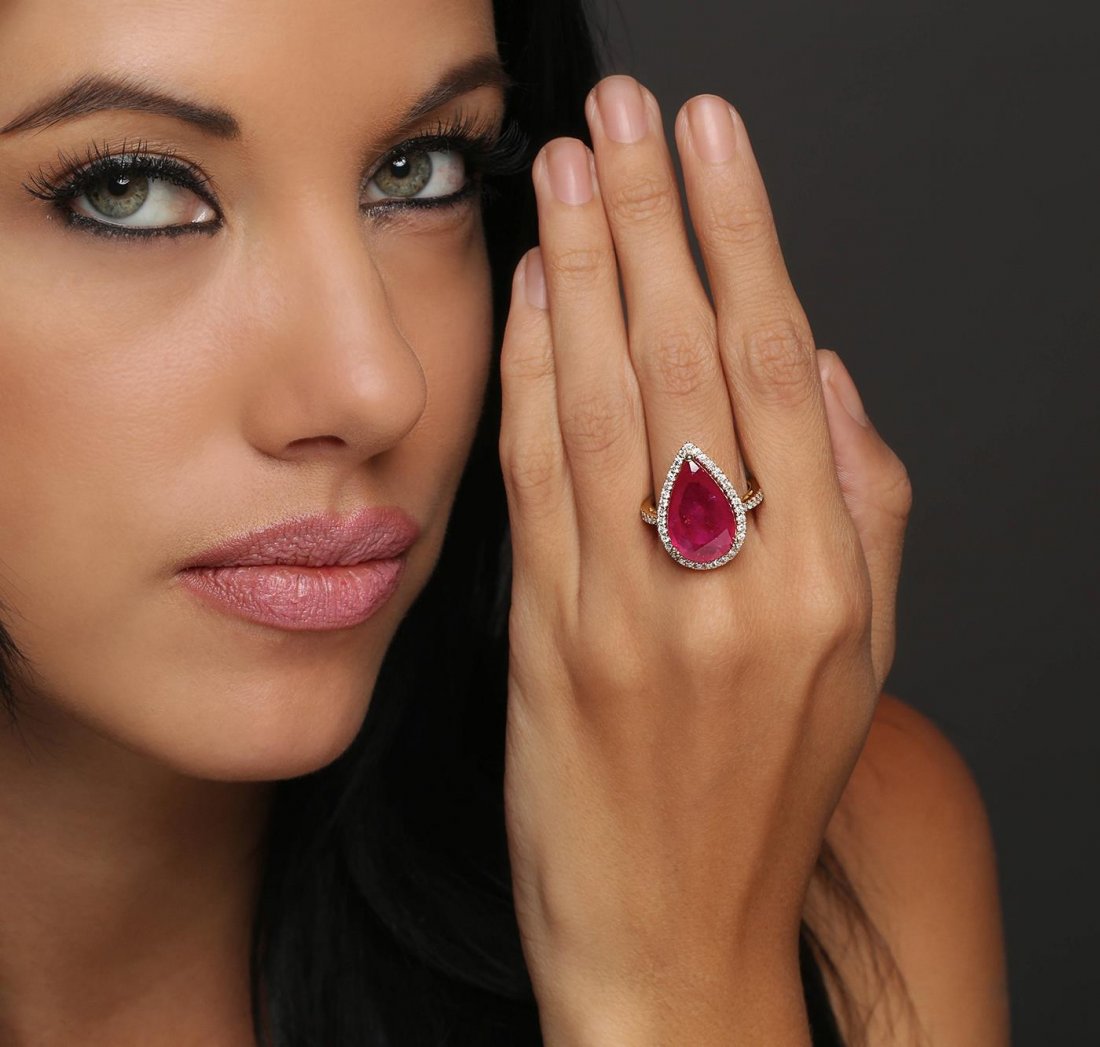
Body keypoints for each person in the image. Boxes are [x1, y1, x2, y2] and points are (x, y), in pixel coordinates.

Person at [0, 0, 1010, 1043]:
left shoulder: (827, 855)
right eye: (126, 191)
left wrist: (677, 977)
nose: (377, 386)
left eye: (420, 173)